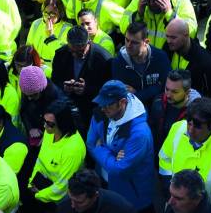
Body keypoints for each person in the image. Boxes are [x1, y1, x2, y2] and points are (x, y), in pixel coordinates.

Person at [85, 80, 154, 212]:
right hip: (105, 185)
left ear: (122, 102)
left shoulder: (140, 133)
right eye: (101, 103)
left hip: (132, 195)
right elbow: (90, 143)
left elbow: (120, 170)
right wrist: (114, 156)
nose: (102, 108)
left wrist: (100, 148)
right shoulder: (101, 113)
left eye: (108, 104)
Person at [27, 100, 87, 209]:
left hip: (61, 199)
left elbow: (62, 186)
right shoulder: (50, 132)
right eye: (44, 120)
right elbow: (40, 160)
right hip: (42, 186)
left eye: (49, 123)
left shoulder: (73, 149)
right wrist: (31, 182)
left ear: (62, 123)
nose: (45, 126)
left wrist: (39, 195)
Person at [57, 169, 134, 213]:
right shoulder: (63, 206)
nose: (73, 206)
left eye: (79, 202)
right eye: (71, 199)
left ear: (95, 196)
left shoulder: (120, 208)